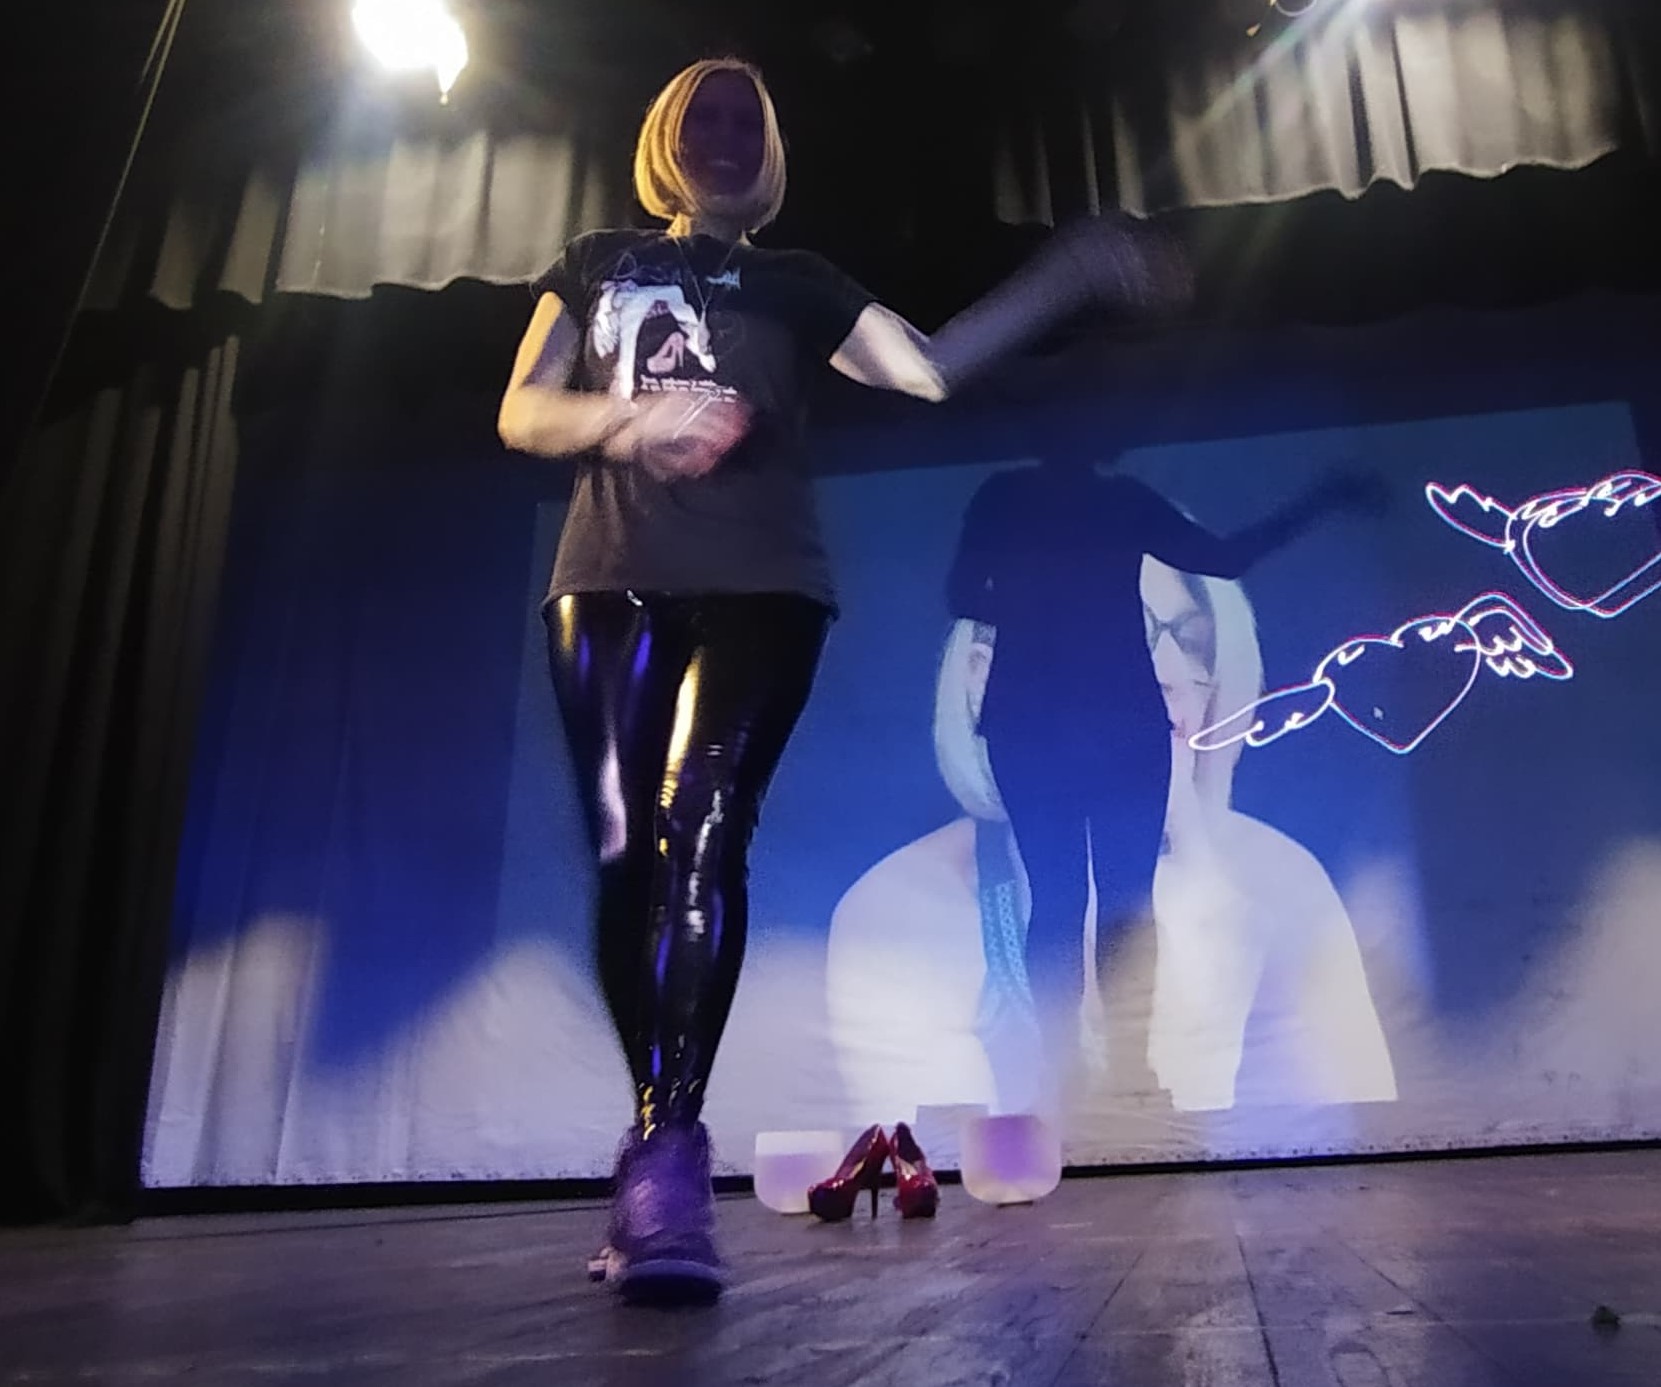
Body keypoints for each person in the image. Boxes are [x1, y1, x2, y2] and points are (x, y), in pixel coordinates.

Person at [495, 58, 1189, 1302]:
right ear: (664, 136)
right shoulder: (595, 259)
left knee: (699, 827)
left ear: (764, 151)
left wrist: (1062, 277)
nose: (717, 133)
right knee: (622, 854)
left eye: (740, 118)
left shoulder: (797, 283)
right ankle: (650, 1140)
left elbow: (922, 370)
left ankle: (667, 1143)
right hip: (602, 577)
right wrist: (628, 423)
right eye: (697, 114)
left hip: (762, 586)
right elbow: (521, 412)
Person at [826, 546, 1397, 1126]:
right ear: (987, 678)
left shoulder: (1281, 879)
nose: (1171, 673)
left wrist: (1208, 904)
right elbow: (958, 1180)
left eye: (1192, 642)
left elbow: (1350, 1157)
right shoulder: (899, 909)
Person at [939, 457, 1377, 1107]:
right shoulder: (1107, 500)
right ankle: (1108, 1069)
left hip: (1056, 721)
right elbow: (1222, 557)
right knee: (1111, 898)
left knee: (1083, 898)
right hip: (1087, 721)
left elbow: (963, 594)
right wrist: (1318, 500)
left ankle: (1097, 1069)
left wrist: (1034, 596)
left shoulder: (1019, 497)